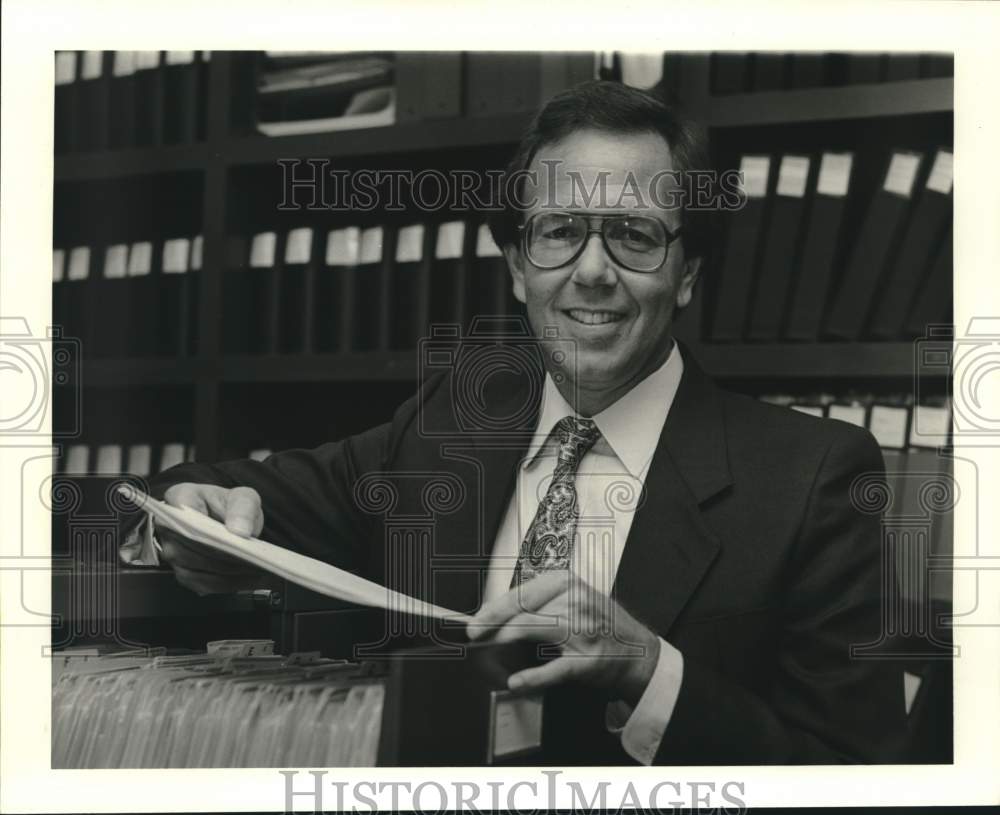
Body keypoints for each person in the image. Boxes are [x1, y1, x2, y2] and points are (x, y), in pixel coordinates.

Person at [120, 81, 906, 765]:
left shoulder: (813, 476)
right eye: (560, 232)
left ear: (687, 272)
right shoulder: (443, 430)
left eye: (634, 236)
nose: (592, 271)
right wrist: (184, 519)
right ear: (518, 265)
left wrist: (647, 669)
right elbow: (216, 491)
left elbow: (852, 772)